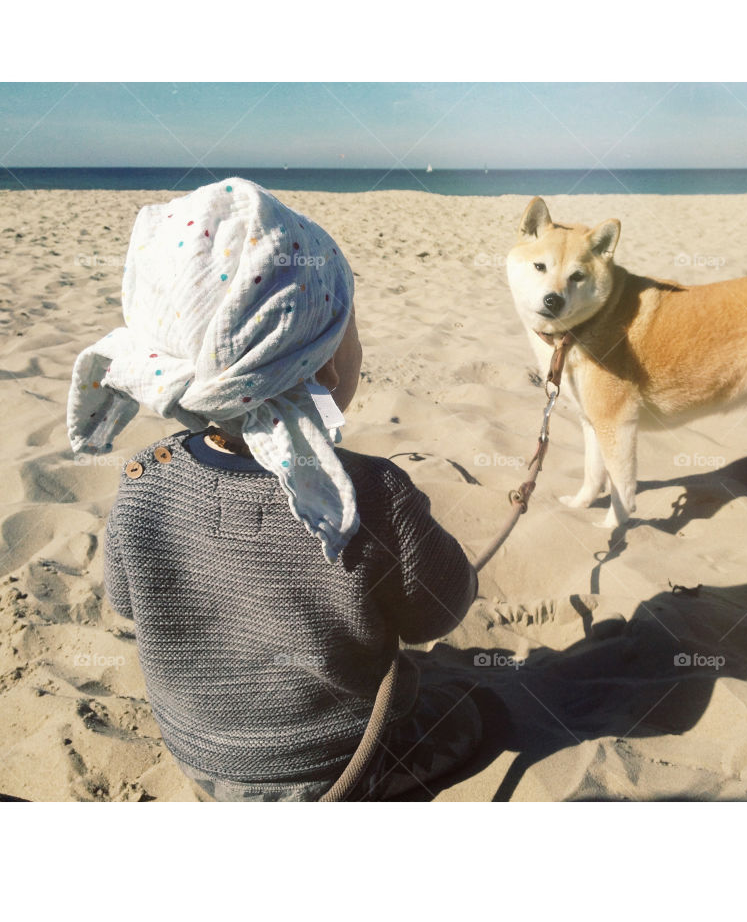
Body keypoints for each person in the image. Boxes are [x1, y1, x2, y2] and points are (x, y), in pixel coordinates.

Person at [67, 178, 481, 801]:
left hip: (199, 751)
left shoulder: (145, 477)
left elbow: (126, 602)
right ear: (328, 368)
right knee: (469, 713)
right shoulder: (371, 495)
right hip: (337, 757)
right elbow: (438, 613)